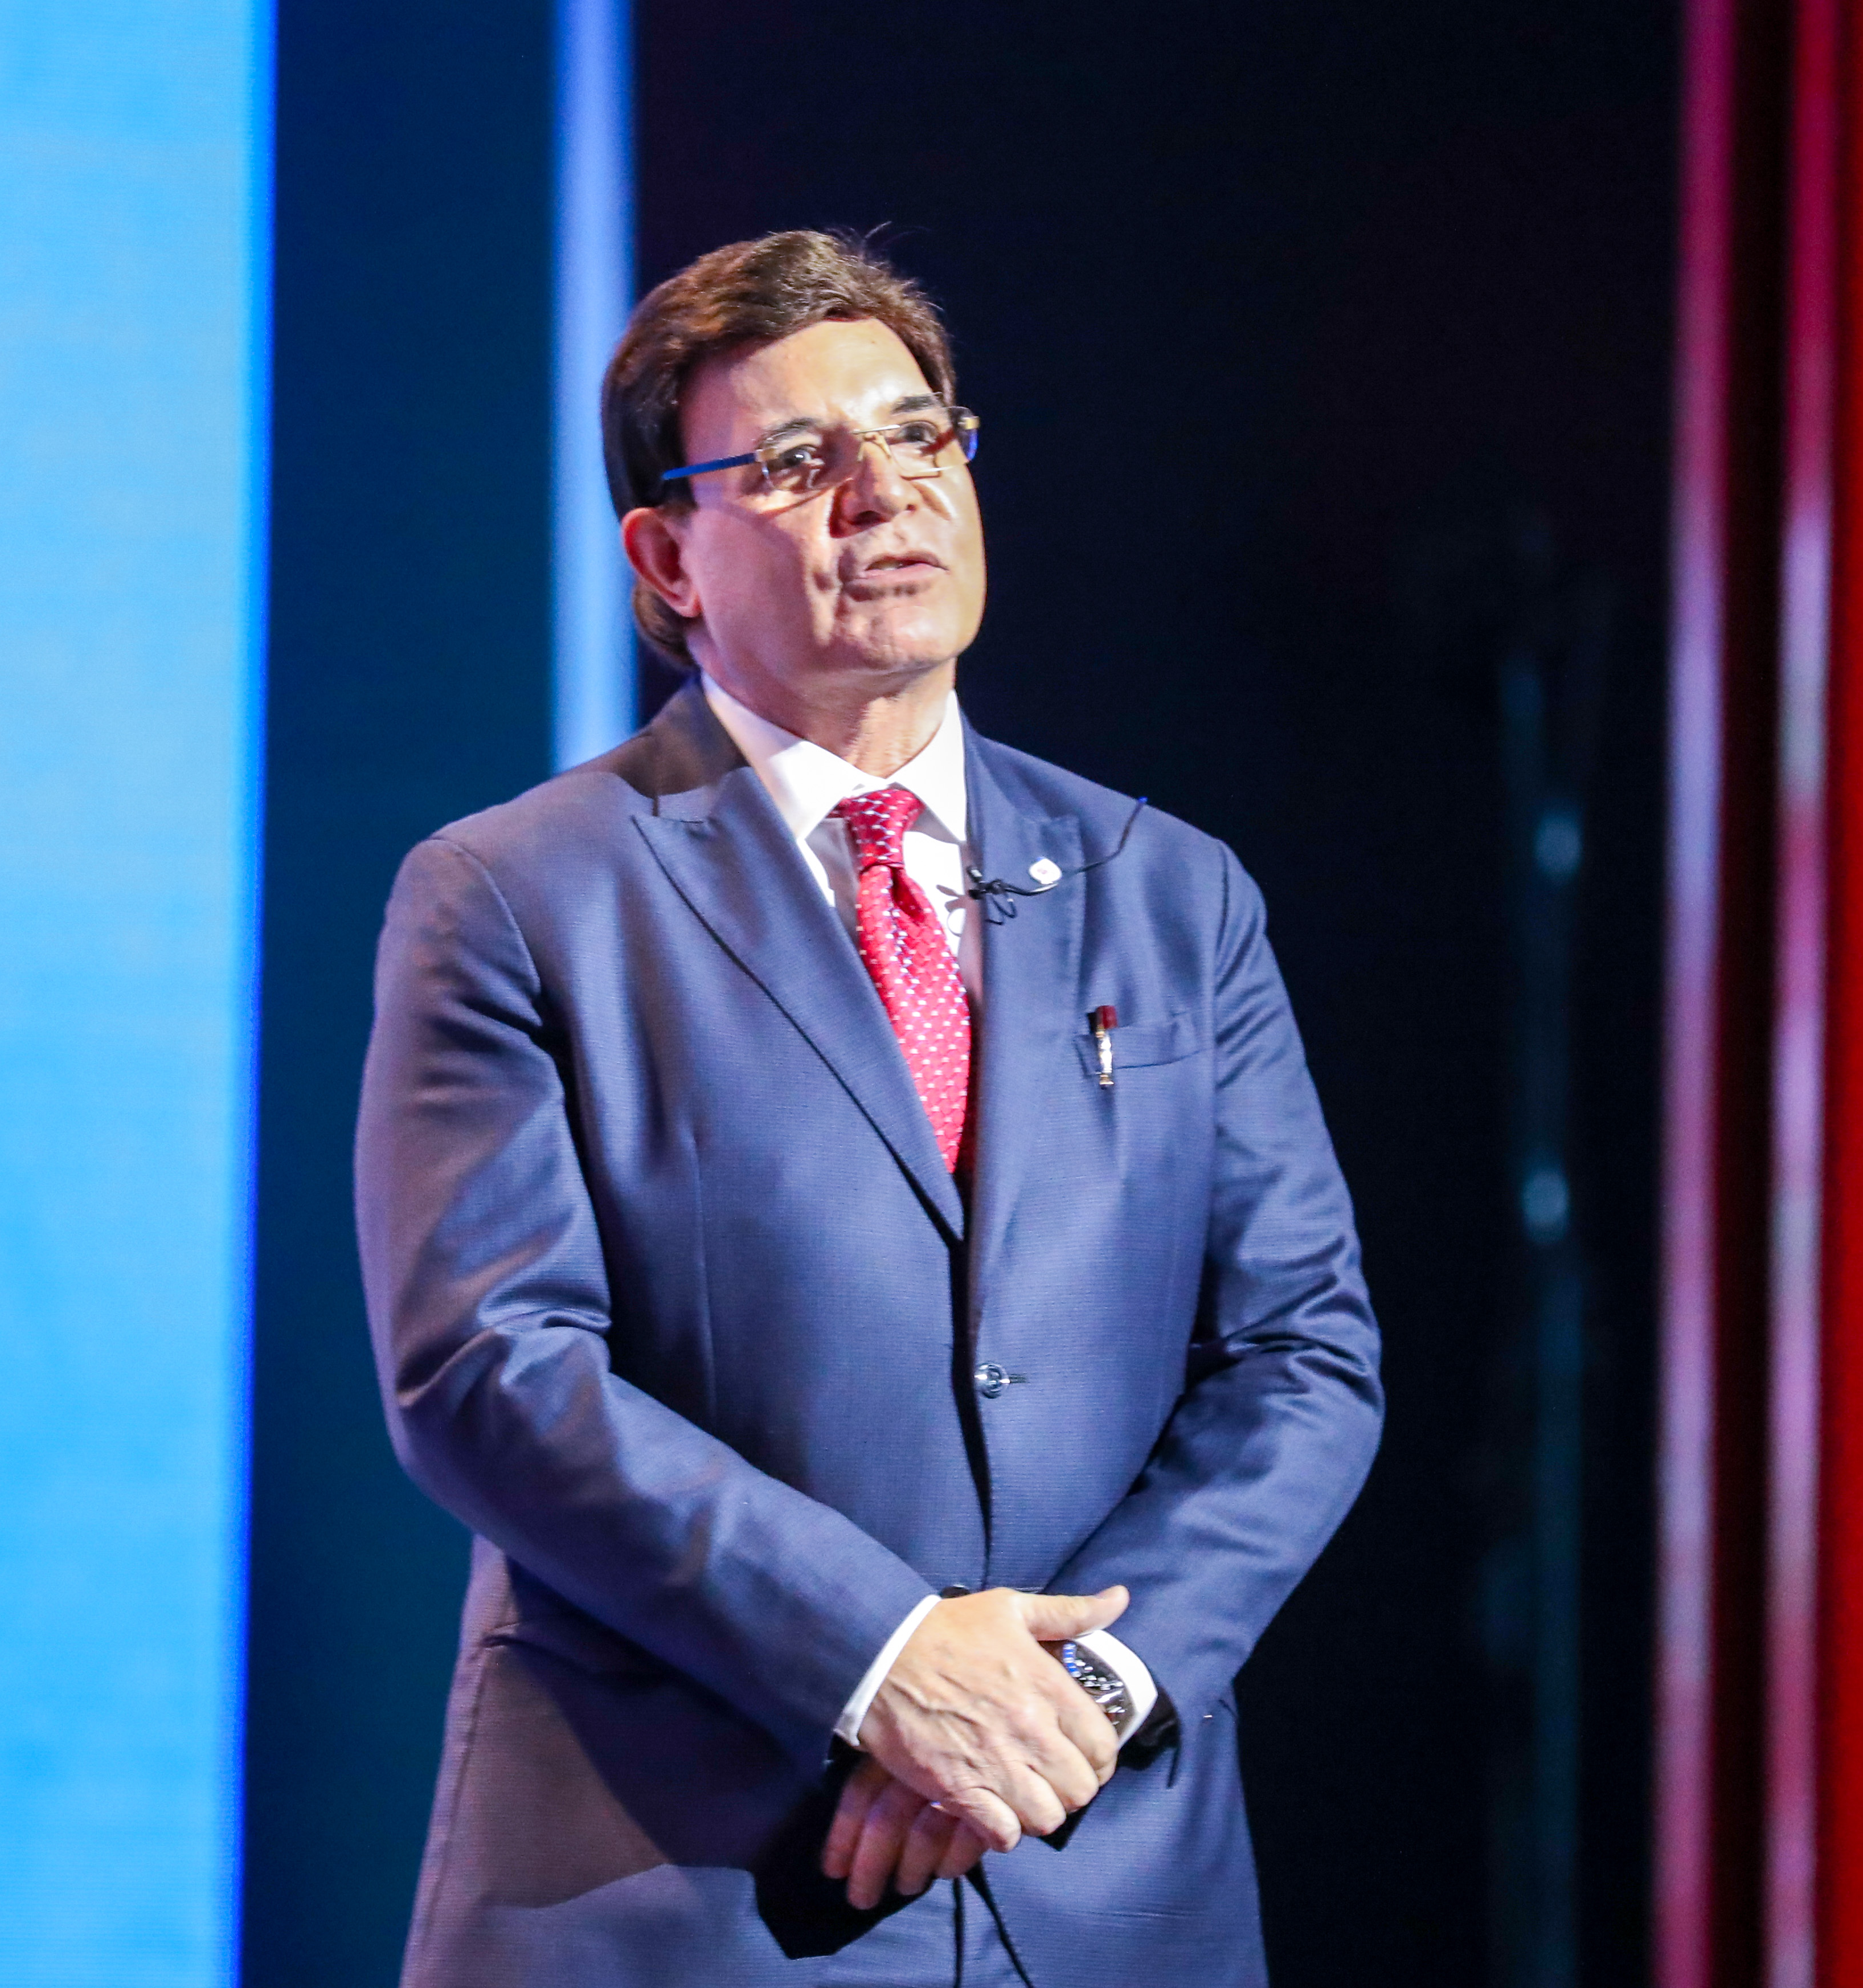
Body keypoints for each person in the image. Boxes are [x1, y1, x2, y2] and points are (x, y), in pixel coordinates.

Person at [356, 229, 1382, 1988]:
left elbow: (1301, 1355)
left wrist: (1078, 1693)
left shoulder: (1171, 890)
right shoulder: (518, 894)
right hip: (685, 1890)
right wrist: (886, 1657)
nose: (883, 494)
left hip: (1101, 1877)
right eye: (794, 460)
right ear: (666, 557)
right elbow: (490, 1372)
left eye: (918, 436)